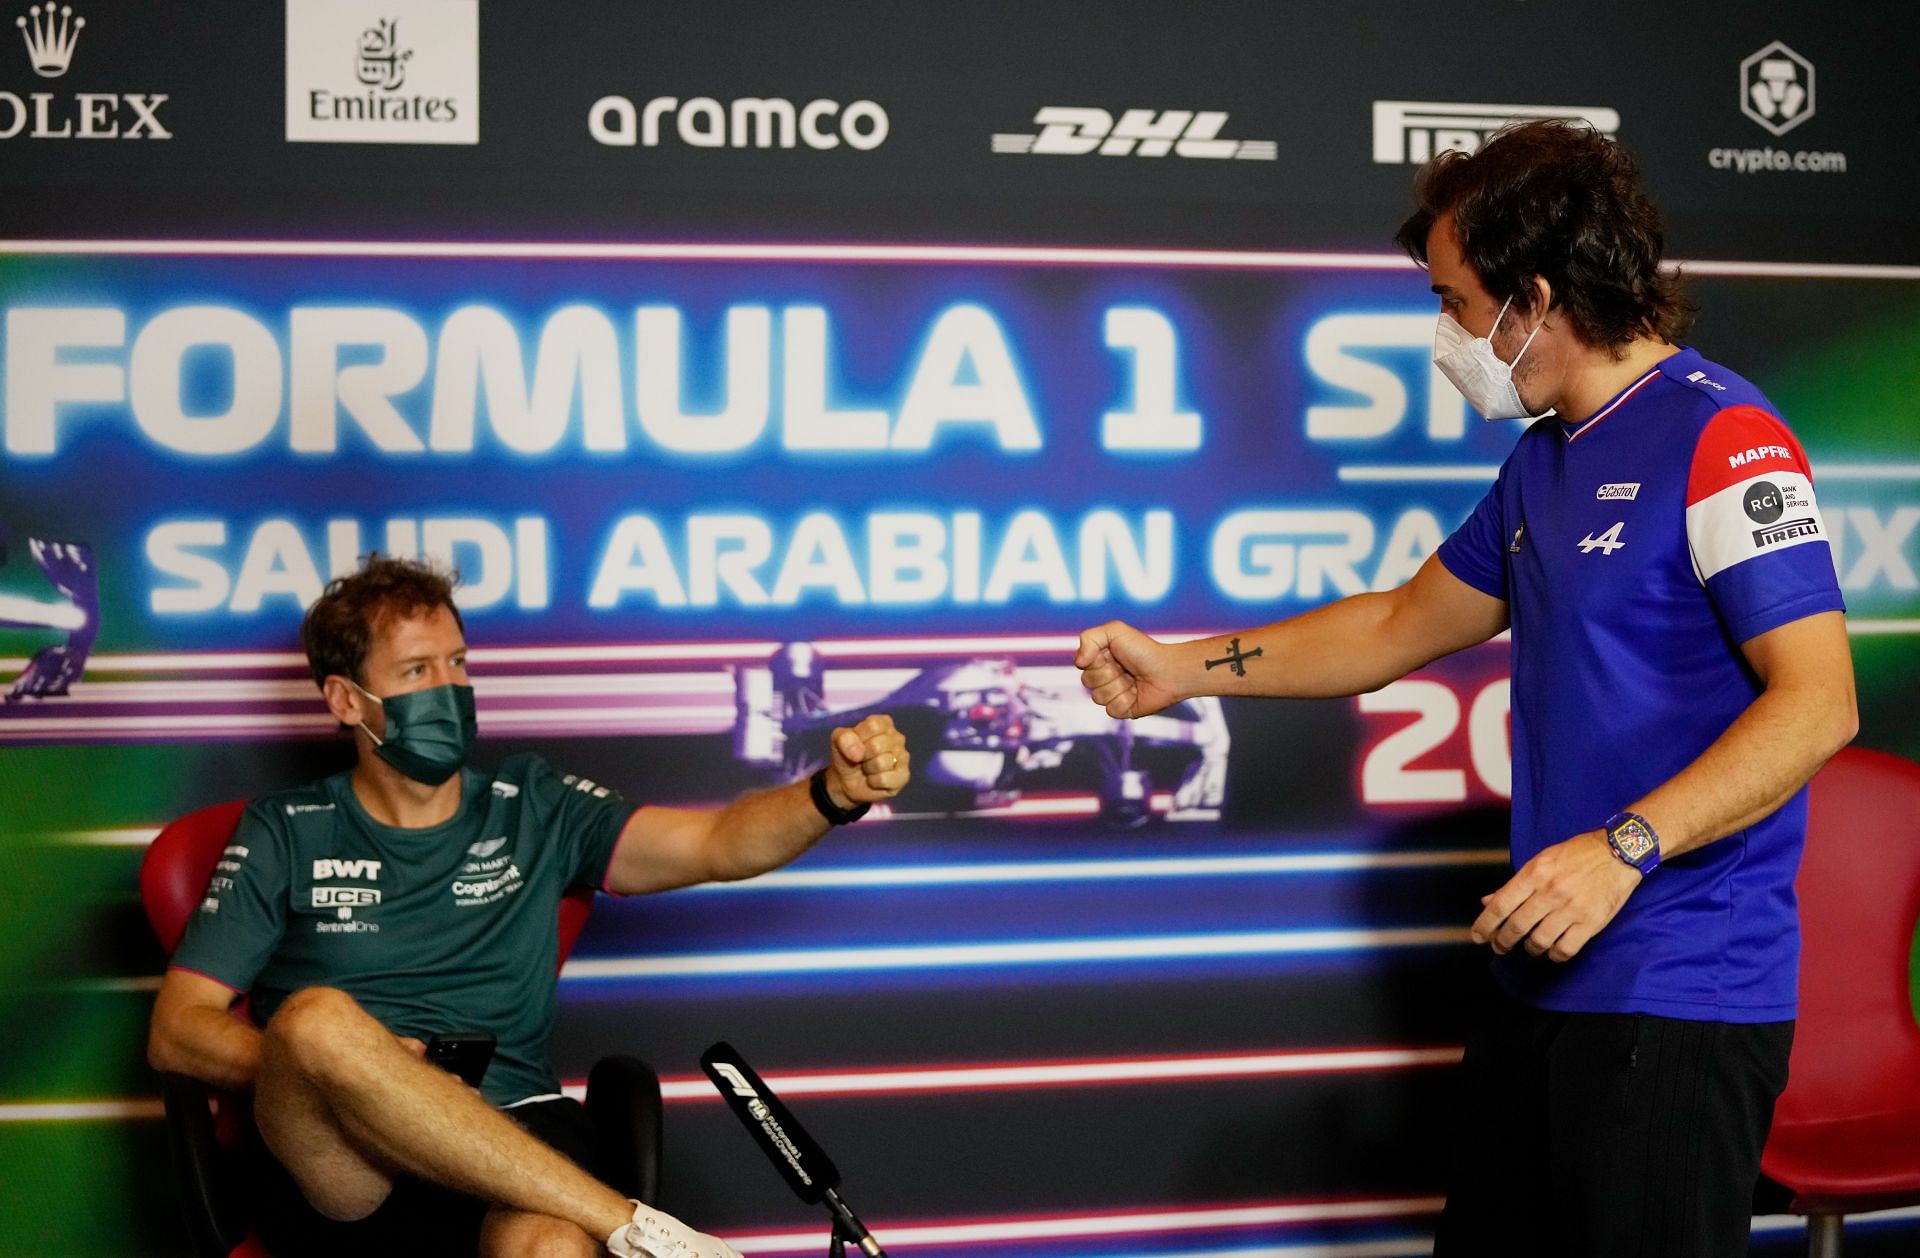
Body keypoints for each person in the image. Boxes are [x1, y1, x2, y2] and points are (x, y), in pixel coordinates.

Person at [1074, 120, 1856, 1257]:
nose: (1445, 333)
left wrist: (1625, 844)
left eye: (1454, 301)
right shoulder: (1544, 457)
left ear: (1532, 297)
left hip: (1679, 992)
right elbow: (1399, 621)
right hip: (1545, 977)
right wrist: (1180, 669)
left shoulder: (1725, 439)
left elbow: (1818, 701)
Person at [148, 554, 913, 1258]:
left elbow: (716, 842)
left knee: (550, 1241)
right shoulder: (284, 829)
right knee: (315, 1021)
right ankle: (642, 1231)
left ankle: (615, 1227)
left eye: (457, 663)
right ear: (348, 700)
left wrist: (830, 795)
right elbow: (178, 1033)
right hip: (346, 1163)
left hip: (518, 1121)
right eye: (416, 671)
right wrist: (358, 1071)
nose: (448, 689)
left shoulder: (535, 804)